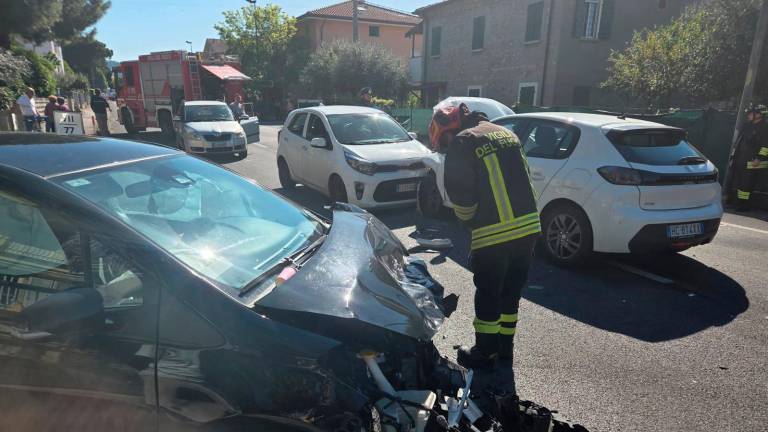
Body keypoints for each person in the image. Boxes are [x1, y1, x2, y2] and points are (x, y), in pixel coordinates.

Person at [438, 103, 540, 381]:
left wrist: (468, 220)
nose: (446, 145)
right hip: (529, 227)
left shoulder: (464, 141)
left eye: (444, 139)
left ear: (452, 127)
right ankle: (505, 349)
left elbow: (461, 194)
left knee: (489, 295)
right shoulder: (507, 133)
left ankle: (484, 353)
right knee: (511, 293)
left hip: (494, 231)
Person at [733, 105, 768, 211]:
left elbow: (765, 146)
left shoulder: (764, 128)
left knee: (747, 184)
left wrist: (759, 158)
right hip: (741, 160)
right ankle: (739, 203)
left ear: (758, 115)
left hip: (753, 162)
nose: (748, 115)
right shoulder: (748, 126)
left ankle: (744, 205)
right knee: (740, 183)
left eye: (751, 113)